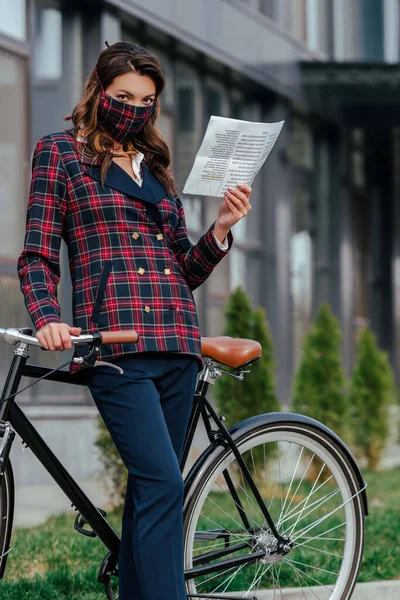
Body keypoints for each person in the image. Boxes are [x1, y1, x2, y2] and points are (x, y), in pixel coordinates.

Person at [17, 41, 252, 600]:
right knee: (164, 483)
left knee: (153, 494)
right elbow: (37, 255)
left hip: (176, 340)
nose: (135, 108)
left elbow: (182, 269)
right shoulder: (60, 153)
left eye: (147, 101)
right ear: (99, 92)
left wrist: (219, 230)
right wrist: (47, 316)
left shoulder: (158, 168)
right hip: (115, 347)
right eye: (124, 96)